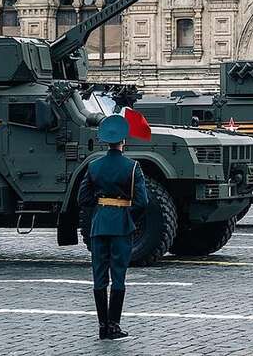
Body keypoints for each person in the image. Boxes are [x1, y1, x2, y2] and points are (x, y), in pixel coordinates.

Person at [78, 114, 148, 341]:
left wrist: (101, 210)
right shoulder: (133, 167)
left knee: (99, 275)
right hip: (121, 223)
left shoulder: (93, 166)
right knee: (118, 275)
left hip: (100, 223)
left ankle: (101, 326)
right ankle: (114, 325)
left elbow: (83, 198)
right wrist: (127, 216)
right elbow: (142, 202)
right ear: (123, 141)